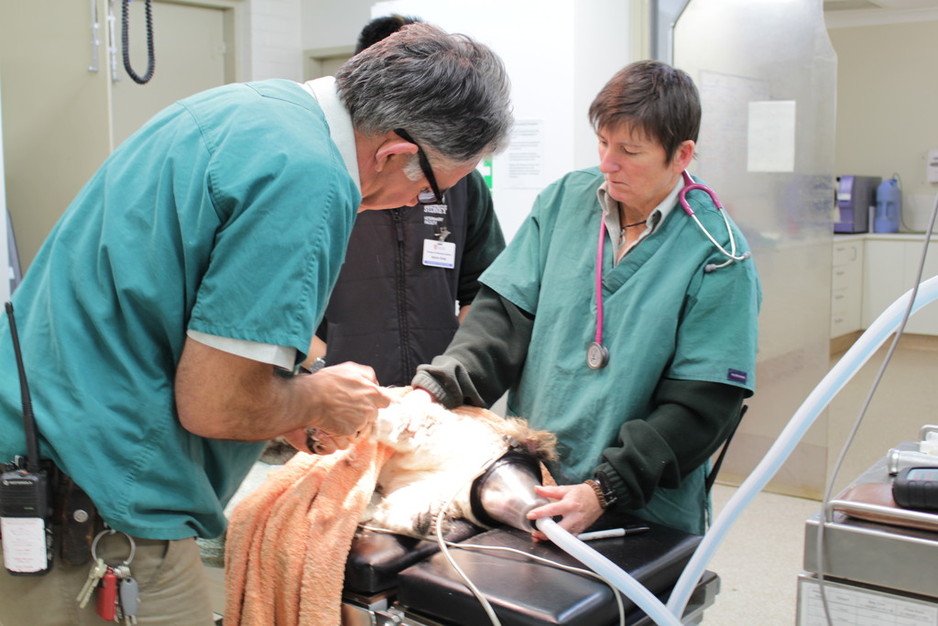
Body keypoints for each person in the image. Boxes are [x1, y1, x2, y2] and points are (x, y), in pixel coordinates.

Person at [0, 23, 511, 625]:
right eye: (427, 188)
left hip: (53, 460)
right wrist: (317, 399)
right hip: (99, 513)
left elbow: (177, 319)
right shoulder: (309, 178)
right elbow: (214, 403)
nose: (412, 204)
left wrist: (288, 401)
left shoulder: (246, 111)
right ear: (395, 153)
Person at [411, 60, 761, 539]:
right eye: (603, 143)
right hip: (535, 482)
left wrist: (607, 489)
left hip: (639, 505)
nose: (607, 164)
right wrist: (437, 387)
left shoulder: (718, 254)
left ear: (681, 155)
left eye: (630, 151)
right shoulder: (563, 203)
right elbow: (502, 320)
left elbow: (703, 407)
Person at [312, 15, 506, 387]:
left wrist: (450, 371)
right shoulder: (327, 180)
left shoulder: (461, 182)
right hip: (334, 390)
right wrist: (323, 366)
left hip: (431, 391)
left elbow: (484, 291)